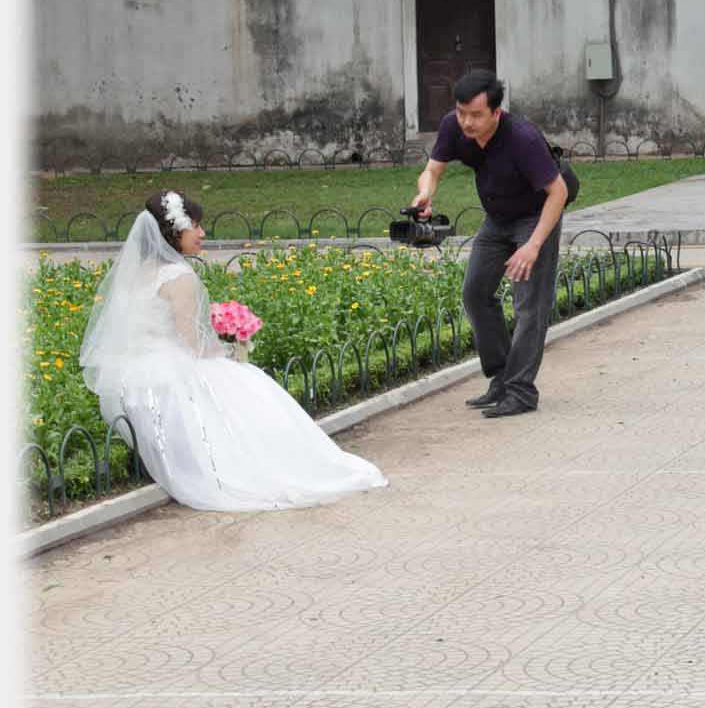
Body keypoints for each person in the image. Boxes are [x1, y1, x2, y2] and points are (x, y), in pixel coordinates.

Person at [77, 192, 387, 511]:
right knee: (247, 383)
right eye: (195, 226)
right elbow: (193, 344)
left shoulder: (136, 273)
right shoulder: (179, 277)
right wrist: (231, 346)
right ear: (173, 231)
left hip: (136, 376)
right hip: (172, 371)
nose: (202, 234)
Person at [411, 70, 569, 419]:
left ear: (496, 112)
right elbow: (433, 171)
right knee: (475, 293)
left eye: (476, 115)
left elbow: (559, 192)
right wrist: (425, 193)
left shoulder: (522, 139)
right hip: (497, 219)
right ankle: (500, 377)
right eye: (462, 111)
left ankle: (521, 391)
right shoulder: (455, 126)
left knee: (529, 306)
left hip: (535, 216)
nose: (467, 121)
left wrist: (533, 245)